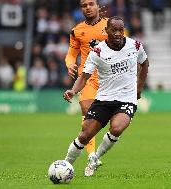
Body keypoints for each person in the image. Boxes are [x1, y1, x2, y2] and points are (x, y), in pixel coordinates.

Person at [63, 16, 149, 177]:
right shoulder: (97, 52)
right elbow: (84, 77)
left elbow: (145, 64)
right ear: (106, 31)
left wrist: (139, 88)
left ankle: (95, 157)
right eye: (114, 30)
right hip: (104, 99)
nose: (118, 33)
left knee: (117, 128)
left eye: (120, 30)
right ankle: (65, 164)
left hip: (126, 99)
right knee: (84, 135)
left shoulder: (135, 45)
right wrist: (73, 91)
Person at [64, 0, 108, 170]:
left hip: (109, 78)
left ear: (98, 6)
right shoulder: (77, 30)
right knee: (87, 111)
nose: (88, 7)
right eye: (84, 5)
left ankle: (97, 151)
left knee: (112, 121)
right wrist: (69, 64)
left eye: (91, 4)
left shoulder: (110, 26)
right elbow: (70, 54)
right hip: (88, 77)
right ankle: (91, 156)